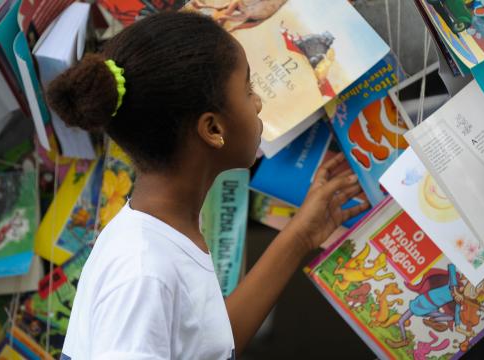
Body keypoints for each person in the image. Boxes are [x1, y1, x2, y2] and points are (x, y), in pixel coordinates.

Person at [46, 11, 367, 360]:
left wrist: (301, 235)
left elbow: (207, 347)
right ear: (213, 129)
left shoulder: (163, 234)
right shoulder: (143, 273)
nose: (257, 102)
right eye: (247, 89)